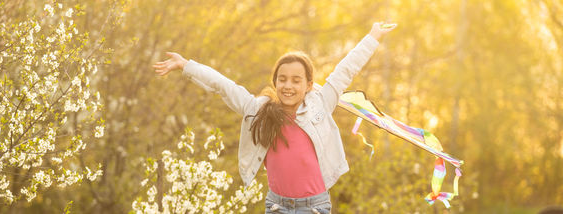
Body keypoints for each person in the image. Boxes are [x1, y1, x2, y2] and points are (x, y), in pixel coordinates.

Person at [153, 22, 396, 213]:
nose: (288, 85)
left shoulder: (321, 104)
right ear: (275, 82)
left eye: (296, 80)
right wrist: (186, 65)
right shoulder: (258, 111)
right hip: (277, 207)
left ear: (309, 84)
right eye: (282, 79)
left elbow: (346, 69)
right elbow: (223, 86)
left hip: (314, 208)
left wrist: (373, 36)